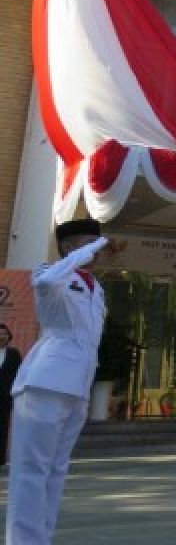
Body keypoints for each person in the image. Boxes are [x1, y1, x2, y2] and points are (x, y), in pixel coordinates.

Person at [6, 219, 107, 545]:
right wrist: (87, 250)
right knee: (31, 470)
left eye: (98, 243)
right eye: (88, 242)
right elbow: (47, 280)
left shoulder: (96, 288)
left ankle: (41, 538)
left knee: (56, 470)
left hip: (77, 385)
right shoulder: (50, 274)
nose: (96, 251)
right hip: (44, 383)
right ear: (68, 247)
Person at [0, 323, 21, 466]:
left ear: (8, 336)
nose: (2, 336)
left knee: (3, 427)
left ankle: (1, 458)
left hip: (5, 397)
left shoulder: (13, 354)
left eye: (4, 334)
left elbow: (19, 374)